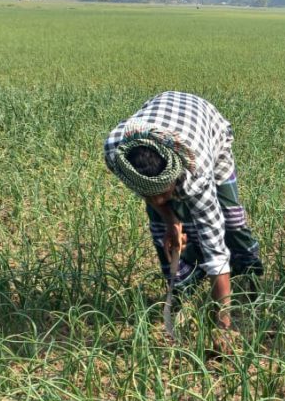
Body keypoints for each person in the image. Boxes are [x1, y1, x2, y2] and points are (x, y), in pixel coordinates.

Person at [104, 91, 264, 330]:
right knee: (164, 233)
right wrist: (170, 220)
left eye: (165, 193)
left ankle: (247, 272)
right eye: (150, 195)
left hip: (209, 128)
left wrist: (223, 325)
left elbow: (216, 251)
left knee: (231, 221)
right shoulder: (118, 155)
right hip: (165, 113)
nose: (158, 200)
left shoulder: (195, 172)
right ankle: (185, 286)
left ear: (175, 174)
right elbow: (156, 197)